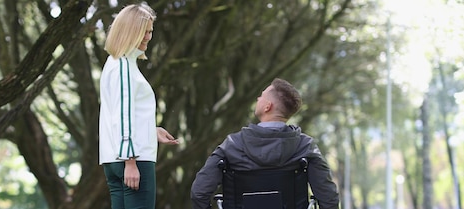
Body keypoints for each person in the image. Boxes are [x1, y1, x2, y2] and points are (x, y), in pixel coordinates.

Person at [190, 78, 339, 209]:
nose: (257, 98)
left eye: (261, 96)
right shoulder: (305, 146)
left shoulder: (231, 145)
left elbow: (199, 193)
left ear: (268, 106)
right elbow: (329, 198)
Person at [99, 3, 179, 209]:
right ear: (129, 32)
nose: (148, 37)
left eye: (150, 31)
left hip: (113, 160)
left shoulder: (113, 63)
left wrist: (151, 131)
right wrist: (131, 162)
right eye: (143, 31)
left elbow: (122, 113)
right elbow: (122, 115)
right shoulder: (124, 66)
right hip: (134, 161)